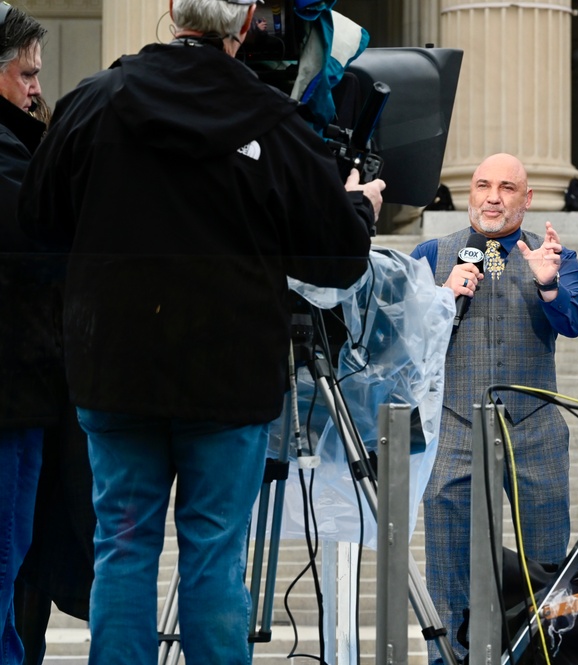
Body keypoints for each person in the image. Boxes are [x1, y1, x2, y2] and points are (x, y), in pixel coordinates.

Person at [16, 0, 384, 662]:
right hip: (228, 377)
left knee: (122, 547)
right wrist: (359, 204)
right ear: (245, 23)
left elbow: (40, 223)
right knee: (214, 552)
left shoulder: (95, 102)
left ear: (169, 12)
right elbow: (337, 258)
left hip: (115, 369)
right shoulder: (275, 124)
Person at [412, 153, 578, 663]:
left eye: (507, 187)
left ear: (527, 199)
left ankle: (542, 656)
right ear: (470, 193)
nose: (493, 196)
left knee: (547, 565)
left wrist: (548, 283)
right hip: (454, 426)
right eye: (483, 185)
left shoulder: (554, 255)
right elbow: (404, 337)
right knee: (447, 566)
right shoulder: (432, 253)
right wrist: (441, 298)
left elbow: (575, 321)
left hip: (533, 427)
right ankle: (449, 658)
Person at [0, 4, 56, 663]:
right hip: (13, 392)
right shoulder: (13, 158)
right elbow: (41, 236)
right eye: (25, 73)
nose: (36, 87)